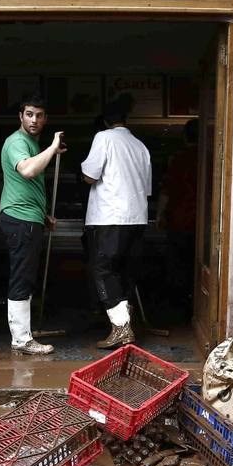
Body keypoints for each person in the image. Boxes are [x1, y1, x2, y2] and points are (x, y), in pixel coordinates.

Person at [82, 93, 152, 348]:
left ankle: (121, 328)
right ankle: (124, 323)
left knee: (102, 269)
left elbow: (90, 175)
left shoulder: (104, 138)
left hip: (110, 216)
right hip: (137, 217)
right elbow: (146, 188)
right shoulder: (140, 146)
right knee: (123, 270)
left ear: (105, 121)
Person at [0, 93, 66, 355]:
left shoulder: (30, 143)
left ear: (45, 118)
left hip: (29, 217)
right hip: (19, 218)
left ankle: (23, 333)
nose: (34, 119)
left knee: (25, 276)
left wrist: (42, 214)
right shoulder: (17, 141)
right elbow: (27, 171)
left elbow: (29, 184)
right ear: (20, 116)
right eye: (29, 114)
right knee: (22, 277)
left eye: (39, 115)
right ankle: (21, 339)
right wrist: (52, 147)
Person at [156, 118, 200, 308]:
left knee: (178, 265)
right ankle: (197, 304)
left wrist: (159, 215)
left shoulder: (178, 159)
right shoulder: (210, 157)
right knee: (197, 267)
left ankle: (179, 306)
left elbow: (166, 190)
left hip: (179, 220)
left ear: (184, 136)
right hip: (204, 224)